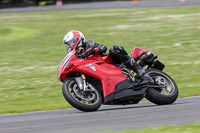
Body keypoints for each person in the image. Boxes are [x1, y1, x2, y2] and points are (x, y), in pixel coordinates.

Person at [63, 30, 147, 80]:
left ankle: (138, 69)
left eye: (70, 43)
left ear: (77, 39)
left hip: (108, 63)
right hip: (99, 71)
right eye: (68, 44)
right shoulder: (77, 55)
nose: (69, 46)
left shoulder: (88, 44)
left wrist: (94, 49)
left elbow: (103, 47)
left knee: (115, 49)